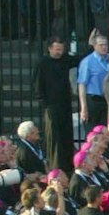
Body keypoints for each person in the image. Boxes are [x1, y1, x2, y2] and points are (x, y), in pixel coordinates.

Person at [33, 37, 79, 173]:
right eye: (57, 49)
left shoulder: (65, 60)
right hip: (51, 105)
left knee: (66, 134)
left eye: (61, 49)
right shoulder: (43, 63)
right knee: (55, 136)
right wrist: (44, 103)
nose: (59, 52)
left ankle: (68, 164)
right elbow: (37, 86)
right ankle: (56, 165)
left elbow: (77, 59)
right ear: (50, 48)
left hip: (65, 103)